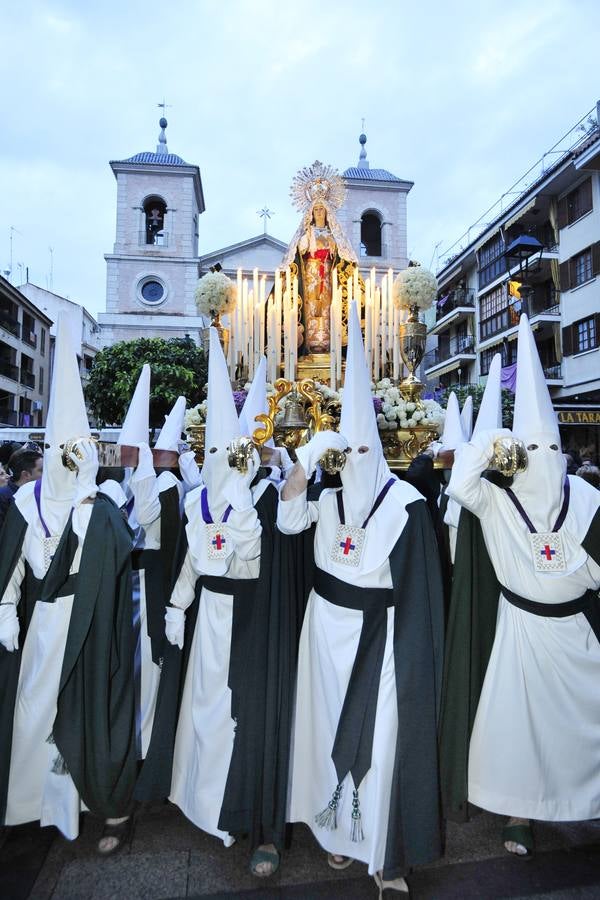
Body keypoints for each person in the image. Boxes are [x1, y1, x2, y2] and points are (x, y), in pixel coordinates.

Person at [278, 303, 444, 896]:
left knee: (381, 735)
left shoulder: (407, 506)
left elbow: (422, 590)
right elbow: (288, 522)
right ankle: (336, 834)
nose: (352, 464)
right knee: (324, 727)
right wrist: (303, 461)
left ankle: (381, 844)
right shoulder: (323, 498)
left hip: (381, 637)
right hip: (324, 631)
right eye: (344, 453)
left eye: (359, 451)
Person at [136, 331, 296, 879]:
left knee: (240, 714)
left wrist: (252, 501)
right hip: (208, 619)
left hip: (252, 619)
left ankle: (244, 809)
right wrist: (177, 608)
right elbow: (190, 562)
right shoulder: (193, 498)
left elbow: (259, 563)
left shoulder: (266, 499)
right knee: (204, 707)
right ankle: (201, 800)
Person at [441, 314, 600, 857]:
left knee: (586, 725)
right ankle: (518, 814)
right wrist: (490, 443)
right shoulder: (496, 498)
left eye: (554, 453)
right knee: (518, 730)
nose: (546, 465)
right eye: (536, 455)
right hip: (519, 628)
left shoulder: (586, 497)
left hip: (576, 632)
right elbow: (459, 484)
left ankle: (587, 803)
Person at [0, 313, 136, 848]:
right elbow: (11, 562)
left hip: (88, 628)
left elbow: (122, 553)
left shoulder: (99, 507)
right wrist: (5, 608)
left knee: (88, 712)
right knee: (34, 710)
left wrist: (91, 516)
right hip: (41, 627)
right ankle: (28, 805)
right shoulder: (25, 503)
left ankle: (103, 807)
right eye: (56, 451)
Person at [283, 160, 358, 355]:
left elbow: (342, 255)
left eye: (321, 209)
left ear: (327, 211)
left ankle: (327, 343)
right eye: (315, 210)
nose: (318, 212)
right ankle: (310, 342)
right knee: (311, 308)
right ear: (310, 212)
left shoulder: (333, 234)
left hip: (327, 276)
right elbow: (297, 254)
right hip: (309, 275)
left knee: (327, 309)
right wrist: (306, 241)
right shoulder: (306, 234)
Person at [0, 448, 43, 530]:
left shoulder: (37, 493)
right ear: (26, 474)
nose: (46, 474)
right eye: (41, 470)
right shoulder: (3, 497)